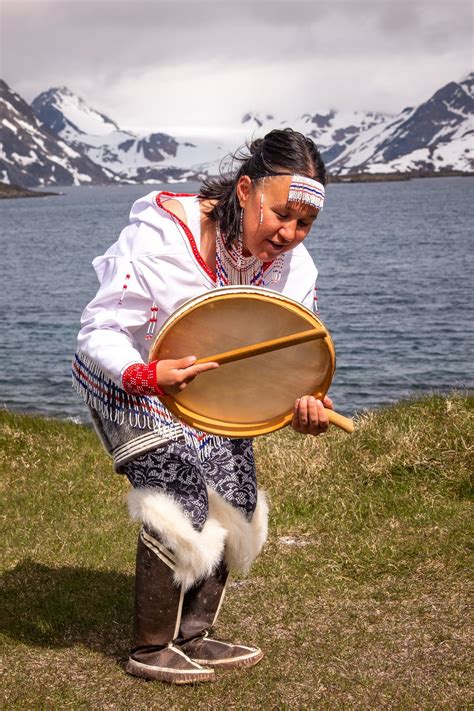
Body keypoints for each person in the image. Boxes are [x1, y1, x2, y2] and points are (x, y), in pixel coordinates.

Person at [72, 128, 333, 685]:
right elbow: (99, 330)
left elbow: (288, 359)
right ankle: (149, 648)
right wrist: (146, 373)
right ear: (245, 191)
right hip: (128, 377)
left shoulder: (296, 269)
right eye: (282, 214)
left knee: (235, 494)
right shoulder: (162, 234)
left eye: (304, 223)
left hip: (213, 390)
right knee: (182, 492)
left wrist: (302, 405)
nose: (290, 234)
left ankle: (195, 634)